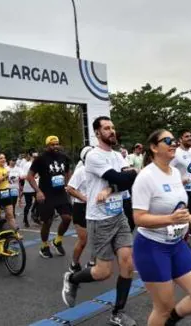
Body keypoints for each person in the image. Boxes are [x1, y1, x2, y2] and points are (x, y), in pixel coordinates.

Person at [132, 129, 191, 326]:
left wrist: (190, 217)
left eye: (174, 140)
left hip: (176, 245)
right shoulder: (146, 177)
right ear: (153, 147)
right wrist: (171, 219)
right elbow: (138, 218)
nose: (173, 144)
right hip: (152, 247)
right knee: (162, 308)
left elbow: (176, 206)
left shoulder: (176, 172)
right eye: (167, 141)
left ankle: (170, 321)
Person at [62, 116, 138, 326]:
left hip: (118, 215)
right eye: (106, 128)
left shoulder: (117, 155)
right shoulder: (94, 157)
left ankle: (117, 313)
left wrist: (110, 188)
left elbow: (132, 178)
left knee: (127, 263)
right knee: (103, 272)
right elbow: (122, 178)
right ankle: (72, 278)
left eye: (113, 127)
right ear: (97, 133)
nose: (112, 131)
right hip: (99, 218)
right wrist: (118, 182)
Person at [27, 136, 72, 258]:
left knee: (67, 218)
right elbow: (30, 176)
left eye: (57, 144)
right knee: (47, 221)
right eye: (52, 145)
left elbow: (68, 171)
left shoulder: (64, 157)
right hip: (46, 193)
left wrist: (68, 185)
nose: (55, 146)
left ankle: (57, 241)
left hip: (61, 193)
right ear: (47, 146)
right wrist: (38, 191)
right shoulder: (40, 159)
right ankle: (44, 246)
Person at [66, 146, 95, 273]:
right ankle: (74, 264)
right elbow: (70, 188)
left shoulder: (100, 169)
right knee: (83, 240)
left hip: (95, 207)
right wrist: (84, 198)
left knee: (97, 237)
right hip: (81, 207)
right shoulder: (80, 171)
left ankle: (92, 262)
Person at [0, 154, 20, 236]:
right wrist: (4, 177)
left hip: (6, 192)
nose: (3, 159)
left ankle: (15, 233)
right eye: (1, 158)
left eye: (4, 158)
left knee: (10, 214)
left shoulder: (5, 168)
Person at [21, 150, 38, 227]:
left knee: (40, 201)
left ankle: (34, 215)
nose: (36, 158)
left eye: (37, 157)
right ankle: (25, 219)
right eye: (34, 157)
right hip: (28, 187)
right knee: (28, 204)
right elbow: (23, 176)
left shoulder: (38, 164)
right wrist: (31, 176)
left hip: (36, 187)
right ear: (31, 156)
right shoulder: (27, 165)